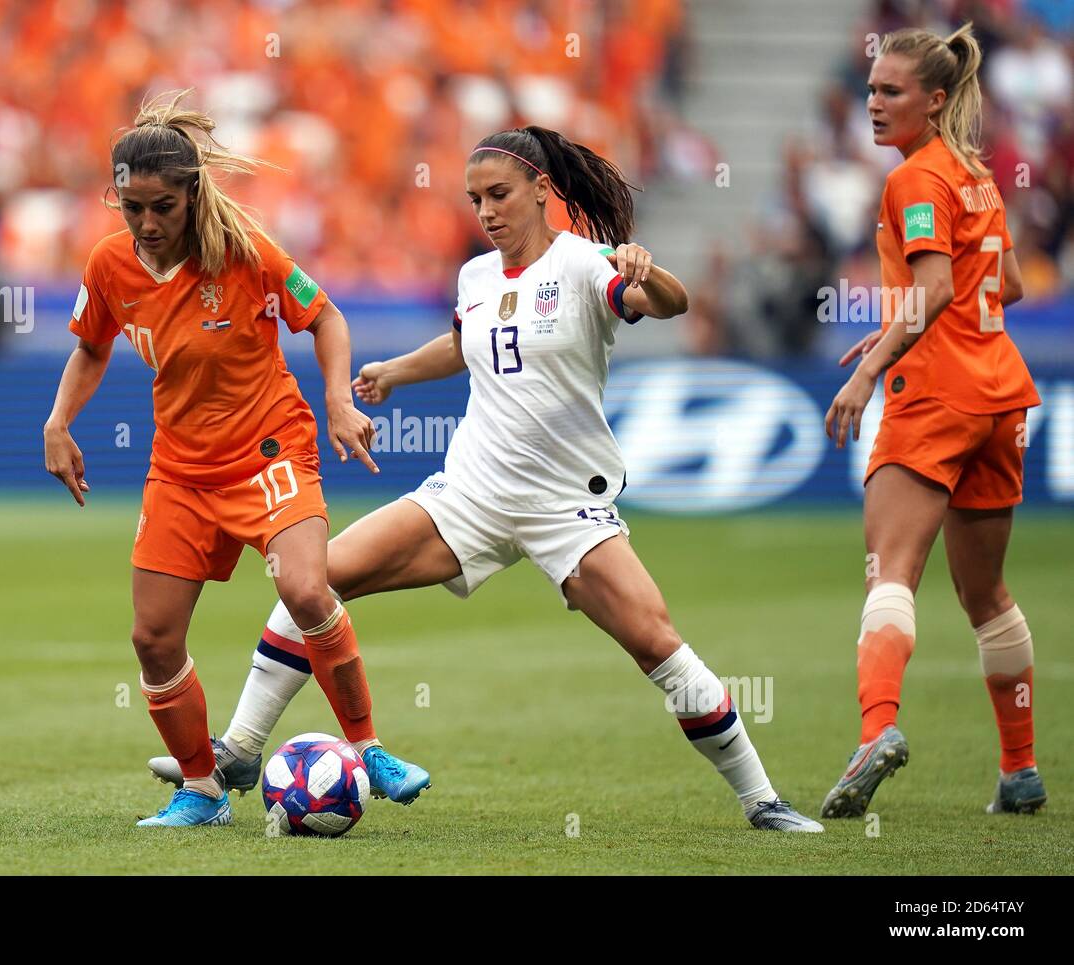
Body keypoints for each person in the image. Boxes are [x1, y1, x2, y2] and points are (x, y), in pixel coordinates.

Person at [151, 126, 824, 832]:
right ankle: (240, 749)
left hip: (565, 505)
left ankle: (762, 799)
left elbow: (668, 303)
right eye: (476, 199)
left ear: (541, 190)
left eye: (500, 194)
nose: (488, 211)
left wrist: (645, 270)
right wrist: (395, 371)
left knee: (656, 641)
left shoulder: (585, 265)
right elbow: (469, 342)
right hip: (469, 494)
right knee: (314, 579)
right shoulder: (475, 276)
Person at [44, 90, 428, 828]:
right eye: (133, 208)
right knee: (152, 638)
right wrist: (59, 420)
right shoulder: (109, 265)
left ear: (192, 194)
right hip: (182, 471)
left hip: (270, 450)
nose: (148, 224)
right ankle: (202, 789)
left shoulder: (243, 250)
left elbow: (324, 316)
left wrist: (341, 403)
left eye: (162, 207)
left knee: (308, 591)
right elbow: (90, 348)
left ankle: (369, 747)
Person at [823, 23, 1045, 817]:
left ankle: (876, 729)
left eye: (892, 92)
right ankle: (1019, 768)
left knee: (889, 570)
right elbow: (1007, 284)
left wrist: (876, 366)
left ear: (936, 98)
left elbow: (936, 288)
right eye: (872, 89)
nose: (874, 104)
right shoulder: (975, 175)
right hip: (1001, 396)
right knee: (985, 593)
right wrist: (896, 324)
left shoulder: (915, 180)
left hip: (937, 397)